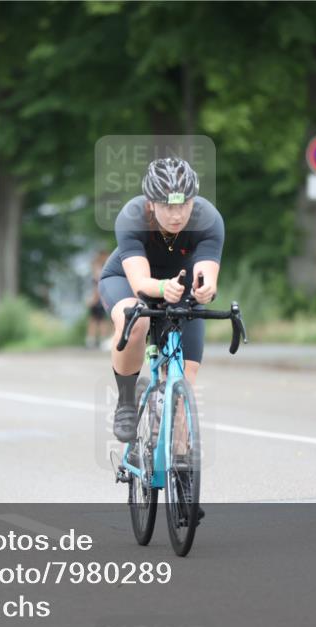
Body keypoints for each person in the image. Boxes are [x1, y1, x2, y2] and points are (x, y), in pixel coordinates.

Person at [98, 157, 224, 444]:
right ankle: (126, 402)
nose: (177, 215)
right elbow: (140, 284)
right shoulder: (132, 217)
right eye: (167, 206)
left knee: (186, 378)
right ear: (151, 204)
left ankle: (179, 460)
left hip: (180, 286)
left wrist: (205, 289)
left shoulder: (208, 219)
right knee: (136, 318)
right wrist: (164, 287)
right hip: (127, 281)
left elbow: (206, 274)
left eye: (184, 205)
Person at [85, 250, 111, 349]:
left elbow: (97, 287)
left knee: (99, 320)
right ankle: (94, 340)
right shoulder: (101, 270)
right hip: (98, 298)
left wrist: (94, 299)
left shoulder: (99, 271)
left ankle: (98, 340)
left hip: (99, 299)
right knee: (97, 320)